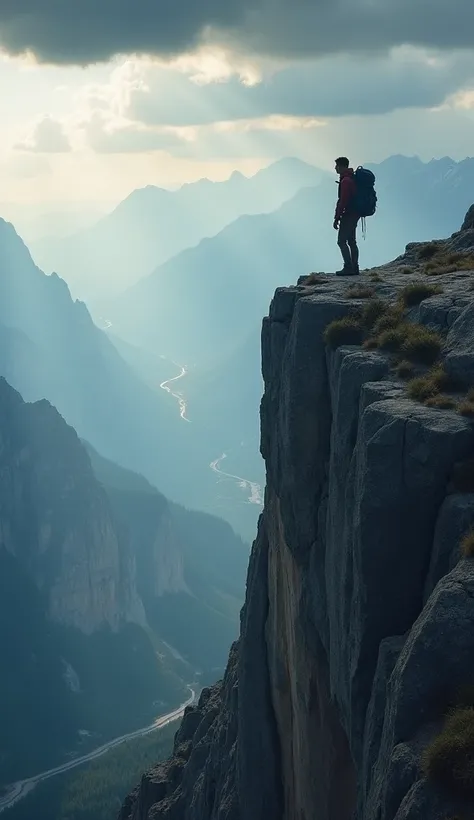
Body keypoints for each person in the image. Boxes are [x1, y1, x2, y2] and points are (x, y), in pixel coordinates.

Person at [333, 157, 360, 276]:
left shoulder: (345, 181)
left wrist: (337, 217)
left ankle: (348, 267)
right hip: (356, 213)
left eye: (337, 166)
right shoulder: (351, 178)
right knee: (352, 241)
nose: (335, 168)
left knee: (341, 241)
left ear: (342, 166)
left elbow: (342, 201)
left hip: (349, 214)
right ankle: (355, 267)